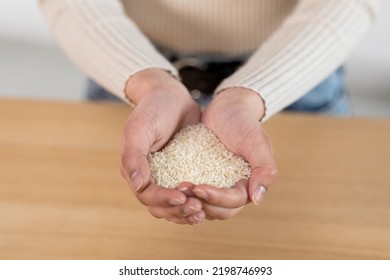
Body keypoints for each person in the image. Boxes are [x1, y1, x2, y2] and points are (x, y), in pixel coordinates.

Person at [39, 0, 379, 225]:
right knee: (101, 223)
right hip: (124, 59)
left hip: (299, 63)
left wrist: (251, 94)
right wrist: (148, 83)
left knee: (324, 220)